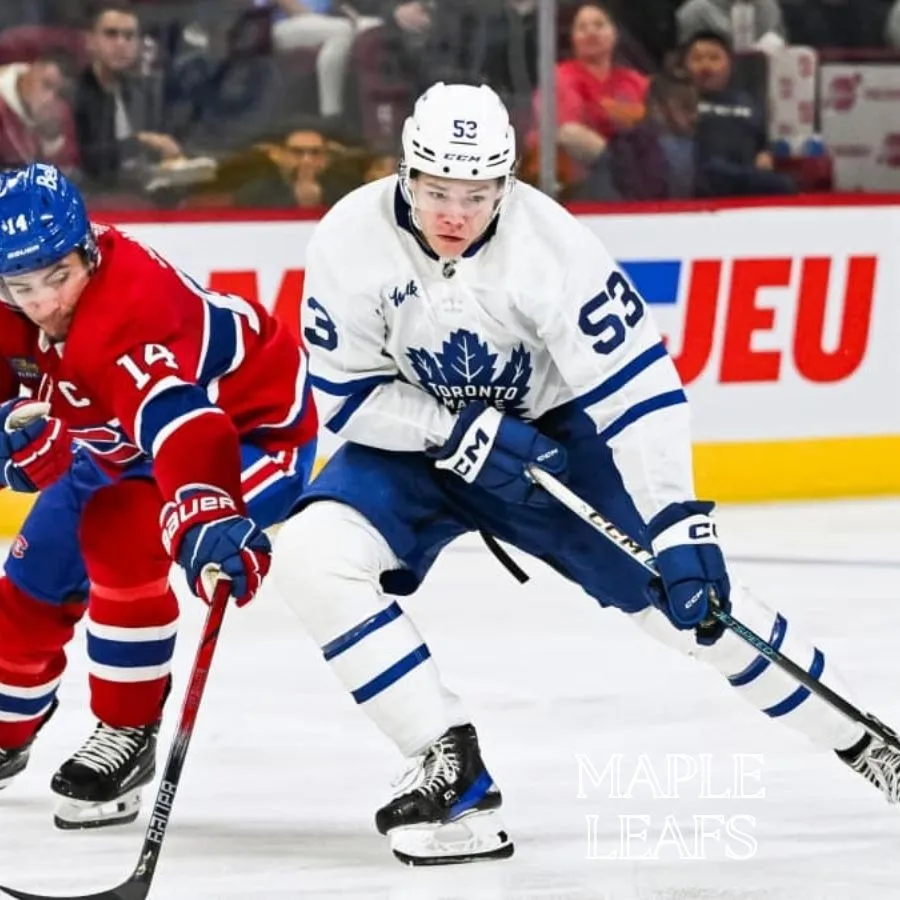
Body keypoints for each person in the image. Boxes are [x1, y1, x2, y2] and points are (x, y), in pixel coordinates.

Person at [269, 81, 900, 865]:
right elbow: (346, 395)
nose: (455, 215)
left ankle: (868, 746)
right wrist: (451, 430)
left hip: (551, 447)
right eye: (436, 190)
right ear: (405, 173)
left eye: (478, 192)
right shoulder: (346, 239)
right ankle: (449, 767)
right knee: (308, 553)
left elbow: (638, 390)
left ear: (508, 181)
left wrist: (678, 522)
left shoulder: (551, 247)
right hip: (414, 446)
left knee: (690, 606)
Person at [0, 162, 318, 829]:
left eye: (58, 277)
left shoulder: (129, 306)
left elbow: (186, 424)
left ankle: (127, 731)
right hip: (118, 445)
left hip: (250, 435)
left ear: (88, 248)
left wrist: (205, 506)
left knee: (121, 534)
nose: (44, 302)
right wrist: (9, 439)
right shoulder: (14, 306)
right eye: (21, 286)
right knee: (30, 581)